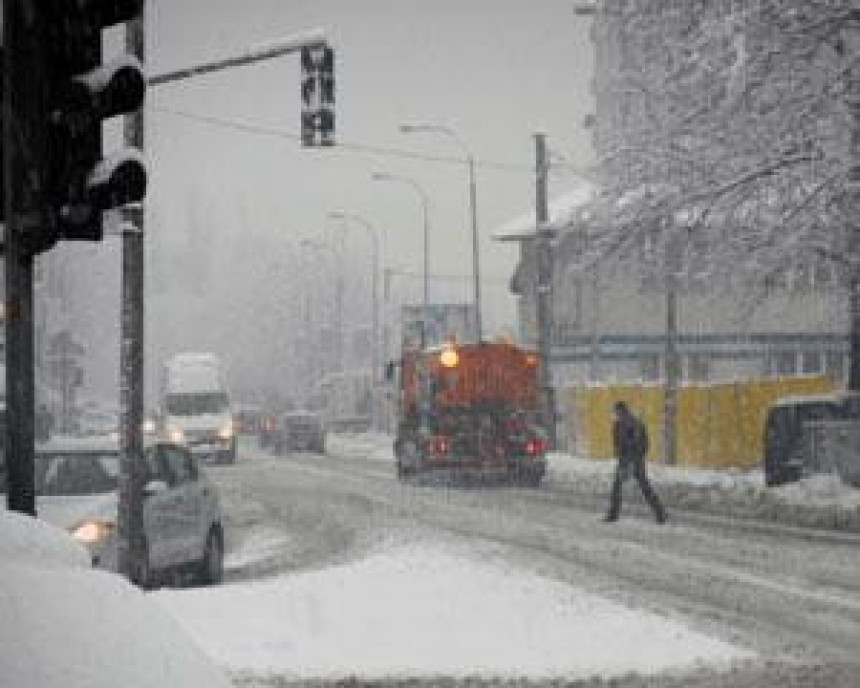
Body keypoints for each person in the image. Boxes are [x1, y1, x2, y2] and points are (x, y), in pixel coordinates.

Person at [604, 401, 667, 524]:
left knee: (617, 487)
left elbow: (630, 444)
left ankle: (613, 514)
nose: (616, 414)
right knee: (644, 487)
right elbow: (644, 444)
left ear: (621, 411)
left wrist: (627, 458)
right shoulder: (634, 423)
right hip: (635, 461)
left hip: (628, 461)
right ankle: (660, 513)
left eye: (616, 412)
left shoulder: (625, 424)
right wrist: (638, 457)